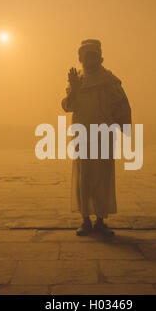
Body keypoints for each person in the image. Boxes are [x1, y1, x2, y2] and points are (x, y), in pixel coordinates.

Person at [61, 39, 131, 237]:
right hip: (82, 134)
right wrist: (74, 89)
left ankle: (100, 220)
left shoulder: (109, 81)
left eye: (92, 55)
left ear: (100, 58)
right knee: (84, 178)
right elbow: (68, 106)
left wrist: (122, 127)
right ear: (80, 58)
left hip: (103, 135)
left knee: (102, 177)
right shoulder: (78, 81)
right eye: (85, 56)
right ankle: (85, 219)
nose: (88, 59)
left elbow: (122, 106)